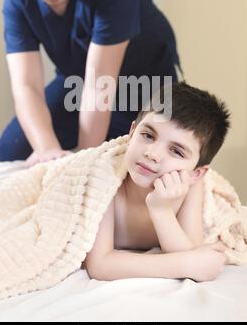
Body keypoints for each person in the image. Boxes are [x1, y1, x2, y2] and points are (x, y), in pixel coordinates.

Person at [0, 0, 182, 166]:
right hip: (79, 80)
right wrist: (48, 151)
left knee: (125, 157)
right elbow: (26, 85)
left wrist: (80, 165)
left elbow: (100, 85)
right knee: (11, 149)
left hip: (142, 82)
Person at [84, 81, 231, 281]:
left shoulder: (193, 186)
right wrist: (185, 265)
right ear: (132, 133)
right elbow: (99, 265)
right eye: (147, 135)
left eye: (176, 151)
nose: (152, 154)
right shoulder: (105, 175)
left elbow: (190, 250)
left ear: (195, 173)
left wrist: (161, 210)